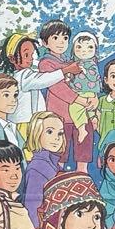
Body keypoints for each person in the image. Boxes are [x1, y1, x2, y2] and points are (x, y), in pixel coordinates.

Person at [0, 32, 79, 142]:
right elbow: (43, 80)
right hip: (24, 123)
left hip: (29, 122)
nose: (30, 59)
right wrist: (66, 70)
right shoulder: (22, 76)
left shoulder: (23, 75)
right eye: (26, 55)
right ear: (12, 59)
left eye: (31, 55)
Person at [38, 19, 96, 168]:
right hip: (59, 116)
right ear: (45, 42)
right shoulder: (46, 63)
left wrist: (94, 97)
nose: (61, 42)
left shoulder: (71, 62)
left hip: (80, 115)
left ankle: (83, 173)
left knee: (84, 147)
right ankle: (57, 173)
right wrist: (80, 100)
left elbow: (88, 82)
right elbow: (57, 88)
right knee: (59, 153)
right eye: (55, 38)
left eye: (64, 38)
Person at [22, 110, 66, 229]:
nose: (56, 138)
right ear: (36, 133)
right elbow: (33, 211)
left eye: (60, 133)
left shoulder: (54, 165)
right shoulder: (37, 169)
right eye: (50, 132)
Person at [65, 30, 101, 162]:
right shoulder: (74, 64)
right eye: (79, 47)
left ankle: (82, 128)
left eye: (89, 47)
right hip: (79, 92)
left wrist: (84, 70)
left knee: (75, 108)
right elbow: (70, 79)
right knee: (82, 110)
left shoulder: (91, 64)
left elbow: (94, 77)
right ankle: (92, 119)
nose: (84, 51)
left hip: (87, 92)